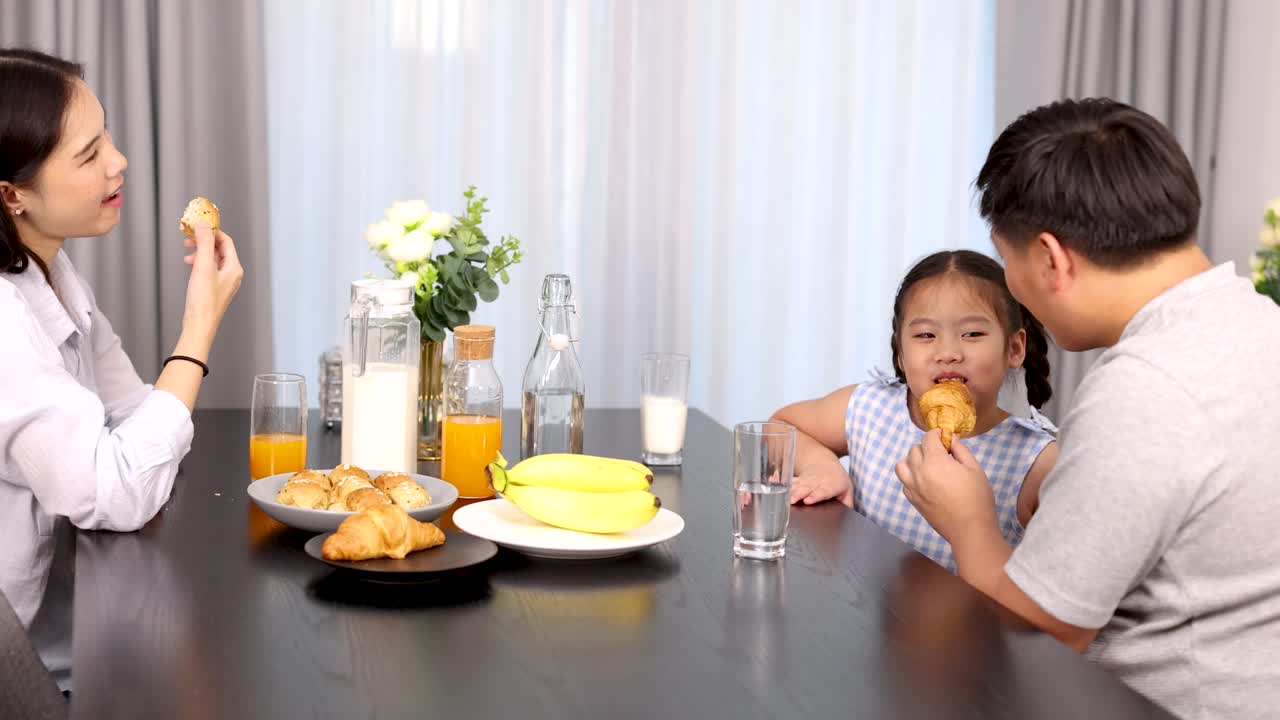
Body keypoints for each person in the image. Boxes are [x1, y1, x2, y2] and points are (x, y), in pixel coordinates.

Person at [896, 97, 1280, 719]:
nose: (1012, 286)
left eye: (1007, 260)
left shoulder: (1146, 388)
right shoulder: (1259, 323)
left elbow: (1033, 630)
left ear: (1050, 258)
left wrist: (968, 520)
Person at [0, 48, 243, 687]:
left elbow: (135, 414)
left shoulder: (46, 271)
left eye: (105, 130)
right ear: (12, 193)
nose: (118, 160)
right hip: (25, 675)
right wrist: (199, 328)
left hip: (74, 631)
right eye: (88, 154)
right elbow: (120, 489)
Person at [771, 249, 1057, 571]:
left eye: (972, 334)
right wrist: (821, 467)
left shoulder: (1037, 463)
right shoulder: (870, 410)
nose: (948, 352)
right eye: (925, 335)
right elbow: (779, 428)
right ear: (901, 354)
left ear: (1014, 348)